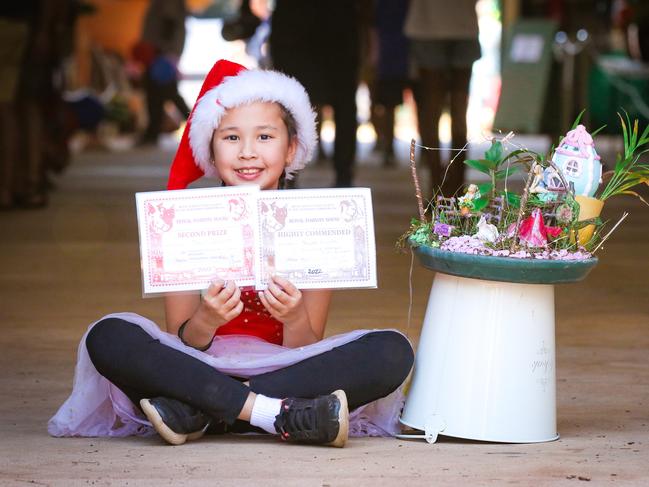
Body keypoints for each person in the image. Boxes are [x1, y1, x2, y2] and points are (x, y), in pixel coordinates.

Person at [48, 60, 414, 447]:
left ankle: (203, 412)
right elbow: (180, 343)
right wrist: (206, 319)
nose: (248, 153)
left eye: (265, 137)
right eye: (232, 138)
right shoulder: (185, 222)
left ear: (291, 149)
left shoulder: (315, 224)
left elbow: (306, 346)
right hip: (199, 365)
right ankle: (274, 415)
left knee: (391, 351)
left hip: (282, 369)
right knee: (110, 337)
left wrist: (293, 316)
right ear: (210, 147)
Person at [405, 0, 480, 197]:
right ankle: (456, 186)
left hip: (428, 25)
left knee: (432, 107)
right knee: (458, 108)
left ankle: (436, 183)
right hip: (462, 23)